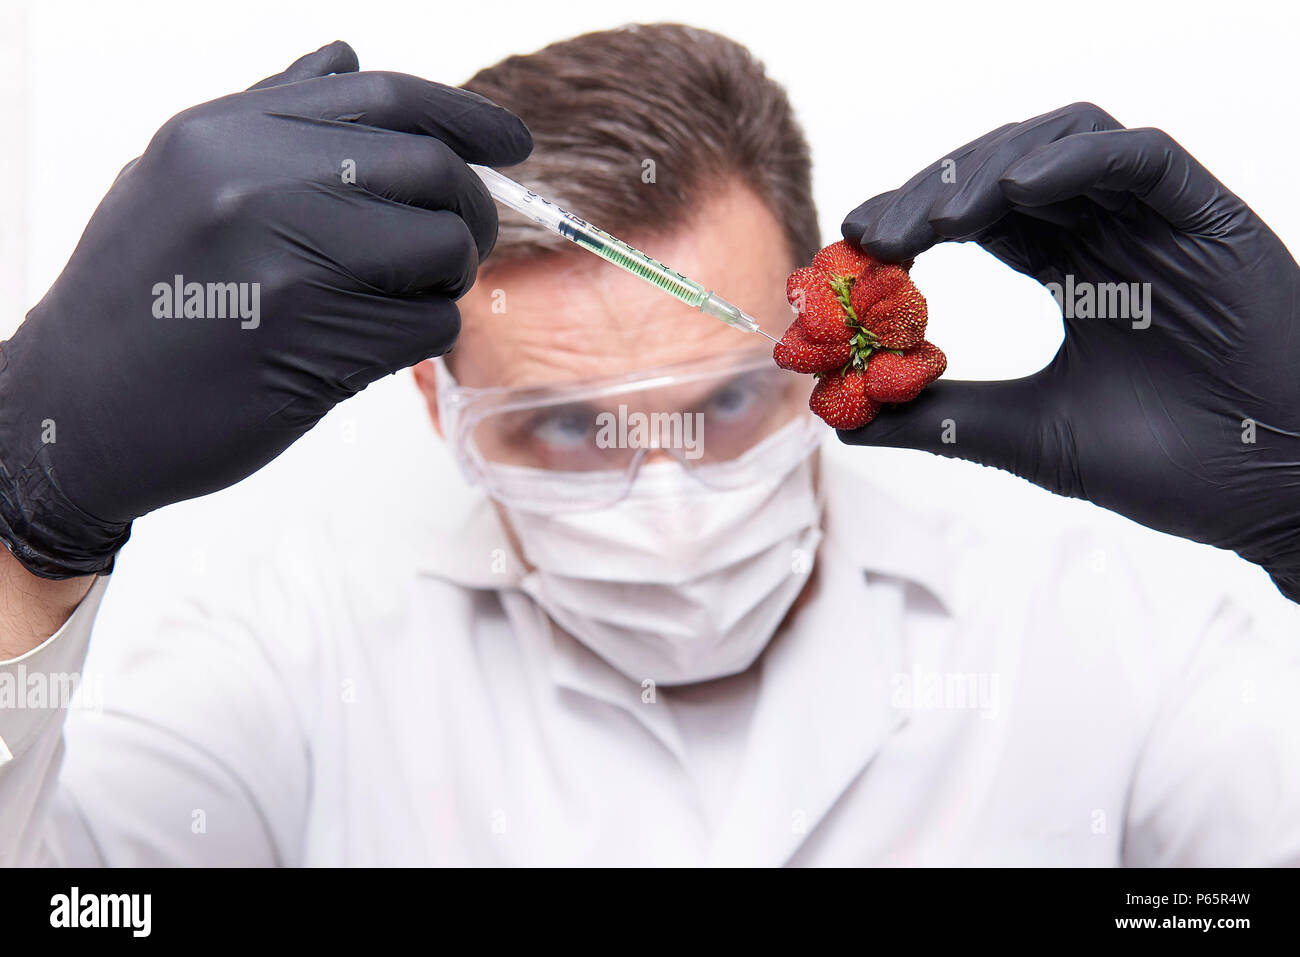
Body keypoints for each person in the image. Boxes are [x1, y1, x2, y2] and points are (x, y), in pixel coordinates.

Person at [1, 24, 1298, 866]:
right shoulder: (277, 675)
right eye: (566, 425)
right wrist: (24, 529)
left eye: (728, 399)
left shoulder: (1125, 636)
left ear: (817, 347)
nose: (670, 500)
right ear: (437, 408)